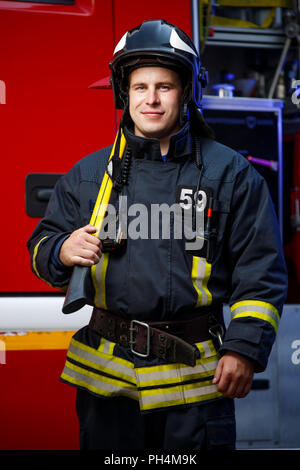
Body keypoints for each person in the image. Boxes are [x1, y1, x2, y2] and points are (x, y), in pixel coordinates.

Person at [27, 19, 288, 451]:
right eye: (139, 87)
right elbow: (39, 249)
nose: (150, 99)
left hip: (196, 389)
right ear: (123, 94)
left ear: (185, 93)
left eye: (164, 87)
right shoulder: (91, 175)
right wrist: (61, 249)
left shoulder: (230, 173)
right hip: (109, 387)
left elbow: (260, 271)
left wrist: (243, 348)